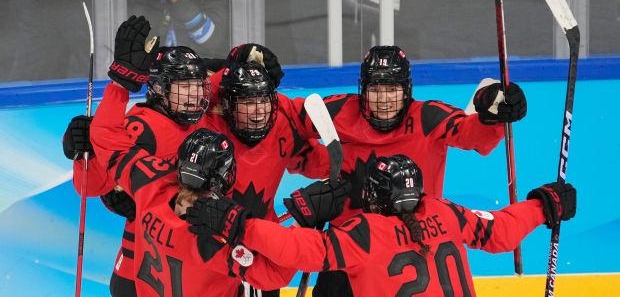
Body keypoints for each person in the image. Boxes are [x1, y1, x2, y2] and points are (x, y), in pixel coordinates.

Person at [275, 44, 528, 296]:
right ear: (363, 89)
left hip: (410, 246)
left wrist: (493, 115)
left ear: (406, 90)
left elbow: (472, 136)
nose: (384, 100)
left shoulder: (428, 117)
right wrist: (309, 159)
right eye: (375, 89)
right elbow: (286, 118)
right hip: (348, 249)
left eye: (392, 89)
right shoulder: (340, 111)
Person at [188, 154, 577, 297]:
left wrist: (239, 224)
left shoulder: (366, 231)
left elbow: (302, 251)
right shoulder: (443, 211)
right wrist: (543, 205)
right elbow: (500, 233)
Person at [89, 77, 298, 295]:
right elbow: (273, 273)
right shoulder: (216, 233)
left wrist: (120, 84)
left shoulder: (147, 188)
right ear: (222, 177)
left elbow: (106, 137)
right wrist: (303, 219)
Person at [63, 16, 212, 297]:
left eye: (197, 84)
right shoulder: (141, 126)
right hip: (144, 263)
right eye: (184, 85)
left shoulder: (200, 120)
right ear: (160, 87)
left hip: (191, 259)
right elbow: (90, 187)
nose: (195, 94)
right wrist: (84, 152)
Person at [200, 45, 331, 297]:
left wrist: (342, 180)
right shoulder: (205, 129)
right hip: (210, 251)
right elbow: (193, 97)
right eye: (248, 102)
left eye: (263, 100)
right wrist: (233, 63)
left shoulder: (283, 127)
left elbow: (324, 163)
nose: (259, 111)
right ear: (226, 103)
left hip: (263, 252)